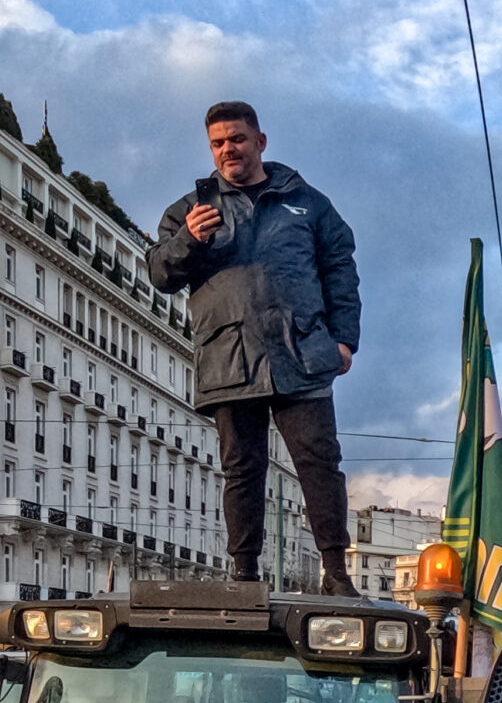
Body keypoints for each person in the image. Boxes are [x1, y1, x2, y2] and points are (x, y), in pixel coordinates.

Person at [146, 101, 361, 594]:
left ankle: (336, 573)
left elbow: (340, 267)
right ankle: (244, 573)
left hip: (302, 352)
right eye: (218, 143)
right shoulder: (188, 211)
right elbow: (159, 273)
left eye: (237, 139)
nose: (228, 150)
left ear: (260, 142)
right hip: (230, 357)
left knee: (320, 463)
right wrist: (188, 241)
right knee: (242, 469)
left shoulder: (307, 203)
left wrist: (345, 339)